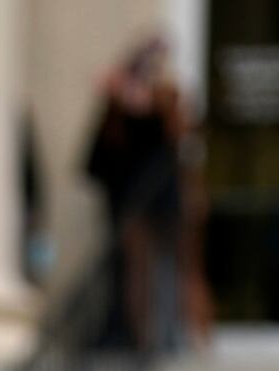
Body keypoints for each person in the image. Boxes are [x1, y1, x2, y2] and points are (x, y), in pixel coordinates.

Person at [85, 36, 186, 352]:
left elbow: (172, 127)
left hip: (162, 200)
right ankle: (139, 339)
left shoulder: (165, 97)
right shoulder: (121, 101)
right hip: (132, 201)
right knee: (135, 273)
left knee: (168, 271)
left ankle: (170, 337)